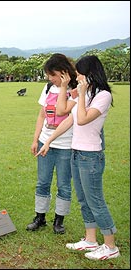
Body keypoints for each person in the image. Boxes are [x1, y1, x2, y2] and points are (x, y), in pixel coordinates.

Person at [36, 55, 119, 260]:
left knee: (95, 201)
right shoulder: (87, 92)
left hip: (91, 156)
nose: (78, 77)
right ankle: (90, 239)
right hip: (76, 152)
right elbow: (66, 117)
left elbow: (81, 119)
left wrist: (80, 95)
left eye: (81, 74)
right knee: (83, 200)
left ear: (90, 74)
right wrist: (47, 141)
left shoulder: (103, 95)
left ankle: (110, 246)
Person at [27, 53, 78, 234]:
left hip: (66, 145)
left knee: (64, 184)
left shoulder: (77, 89)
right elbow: (42, 114)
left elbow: (64, 112)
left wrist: (64, 86)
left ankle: (59, 220)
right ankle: (40, 217)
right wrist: (36, 139)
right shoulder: (48, 87)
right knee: (42, 182)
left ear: (64, 72)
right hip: (44, 142)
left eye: (53, 75)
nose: (50, 78)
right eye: (49, 75)